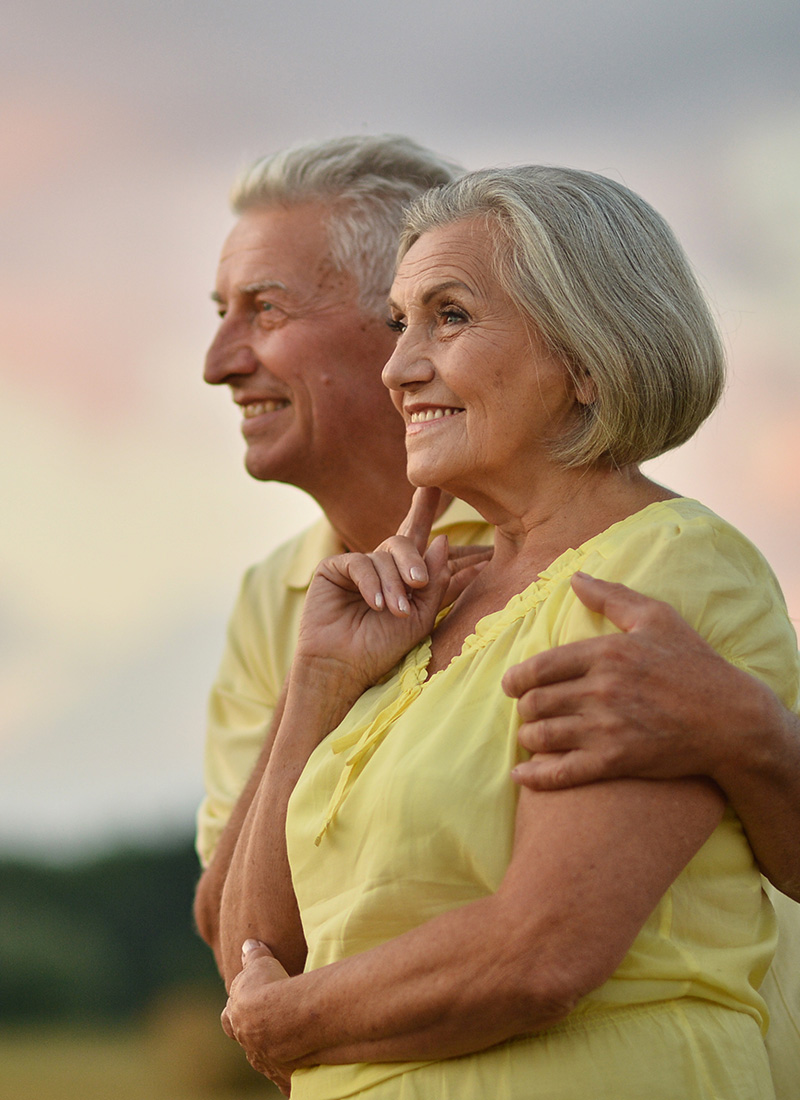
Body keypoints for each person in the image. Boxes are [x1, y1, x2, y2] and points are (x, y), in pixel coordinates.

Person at [193, 136, 800, 1096]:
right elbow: (257, 947)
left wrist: (294, 1021)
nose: (402, 368)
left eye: (450, 318)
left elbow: (541, 951)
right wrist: (316, 682)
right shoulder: (399, 603)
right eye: (399, 323)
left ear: (589, 360)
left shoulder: (656, 569)